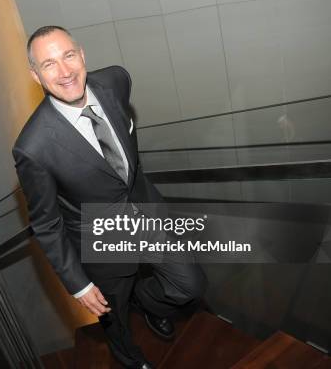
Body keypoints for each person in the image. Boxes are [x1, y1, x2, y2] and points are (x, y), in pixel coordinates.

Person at [12, 26, 206, 369]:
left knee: (189, 285)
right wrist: (79, 285)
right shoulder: (34, 147)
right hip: (101, 243)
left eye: (69, 56)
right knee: (114, 318)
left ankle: (147, 303)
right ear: (35, 75)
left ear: (82, 55)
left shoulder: (115, 81)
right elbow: (46, 223)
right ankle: (130, 358)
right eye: (49, 64)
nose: (65, 71)